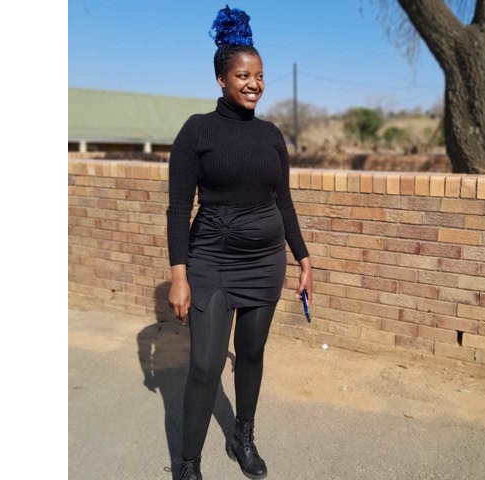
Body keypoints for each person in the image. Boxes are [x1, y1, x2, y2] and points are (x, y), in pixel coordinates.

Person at [166, 6, 313, 480]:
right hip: (211, 261)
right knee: (205, 365)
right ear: (222, 79)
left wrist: (303, 258)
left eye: (260, 75)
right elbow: (178, 209)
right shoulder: (196, 131)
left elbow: (283, 201)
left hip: (265, 262)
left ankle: (242, 437)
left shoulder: (271, 136)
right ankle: (188, 464)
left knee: (251, 354)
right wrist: (179, 276)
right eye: (243, 75)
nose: (254, 84)